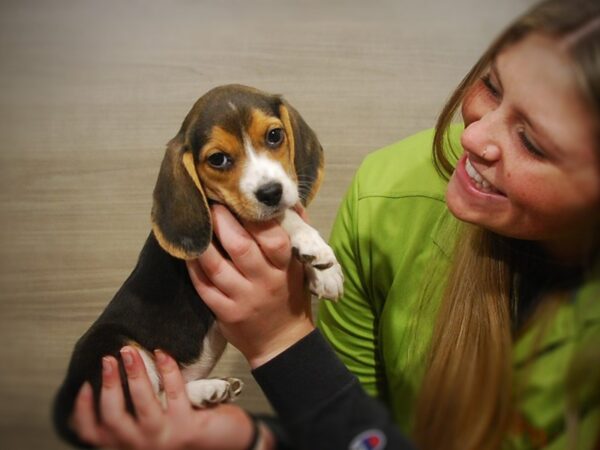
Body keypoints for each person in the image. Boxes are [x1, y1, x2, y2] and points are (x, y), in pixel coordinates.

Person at [70, 0, 600, 448]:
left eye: (532, 141)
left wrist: (281, 339)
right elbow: (340, 422)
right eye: (490, 85)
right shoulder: (386, 192)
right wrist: (253, 438)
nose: (472, 139)